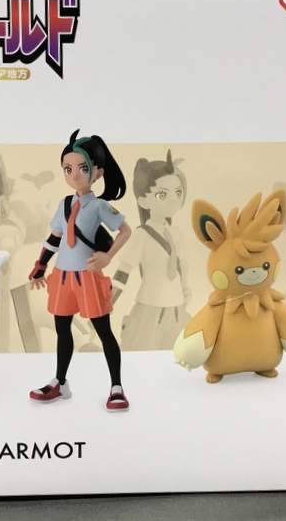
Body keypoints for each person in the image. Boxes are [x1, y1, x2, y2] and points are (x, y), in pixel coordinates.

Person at [27, 130, 132, 411]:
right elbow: (54, 238)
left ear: (98, 172)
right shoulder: (65, 204)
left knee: (103, 331)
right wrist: (40, 265)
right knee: (62, 329)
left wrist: (108, 256)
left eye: (82, 168)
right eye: (68, 169)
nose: (74, 175)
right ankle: (60, 382)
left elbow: (125, 231)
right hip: (62, 276)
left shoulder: (99, 206)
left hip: (87, 276)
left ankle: (117, 386)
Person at [112, 151, 190, 350]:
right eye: (162, 194)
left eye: (178, 192)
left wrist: (185, 288)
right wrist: (108, 301)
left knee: (176, 354)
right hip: (150, 308)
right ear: (143, 201)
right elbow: (123, 271)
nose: (173, 200)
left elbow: (182, 265)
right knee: (143, 351)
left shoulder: (177, 233)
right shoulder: (142, 235)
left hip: (177, 308)